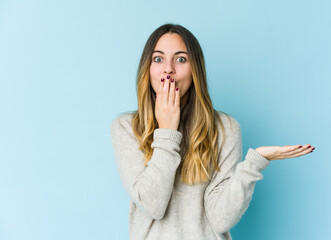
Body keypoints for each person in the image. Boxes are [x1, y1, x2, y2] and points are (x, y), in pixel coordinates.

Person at [110, 23, 315, 240]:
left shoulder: (225, 128)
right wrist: (167, 131)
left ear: (195, 69)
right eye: (158, 59)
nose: (168, 68)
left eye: (181, 59)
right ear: (147, 69)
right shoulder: (126, 127)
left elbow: (220, 219)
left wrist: (254, 164)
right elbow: (153, 206)